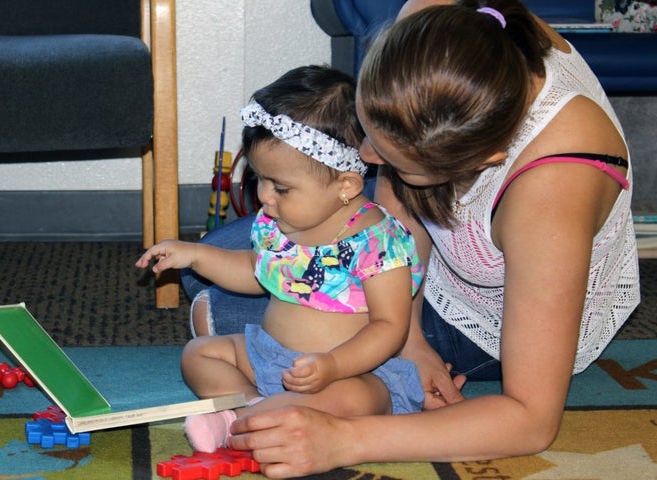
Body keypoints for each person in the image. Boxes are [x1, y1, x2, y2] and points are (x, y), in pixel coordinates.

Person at [179, 0, 642, 477]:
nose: (363, 155)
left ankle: (362, 386)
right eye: (370, 131)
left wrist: (344, 440)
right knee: (221, 257)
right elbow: (391, 209)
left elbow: (531, 420)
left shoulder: (552, 197)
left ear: (485, 158)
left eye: (395, 161)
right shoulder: (433, 22)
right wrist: (411, 338)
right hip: (406, 271)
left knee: (216, 306)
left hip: (493, 314)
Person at [136, 65, 425, 453]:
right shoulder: (277, 222)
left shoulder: (377, 241)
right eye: (260, 180)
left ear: (347, 185)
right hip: (268, 355)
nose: (265, 197)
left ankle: (244, 420)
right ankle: (253, 408)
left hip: (349, 372)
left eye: (282, 187)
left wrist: (334, 365)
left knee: (357, 399)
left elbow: (390, 326)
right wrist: (195, 255)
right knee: (199, 353)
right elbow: (255, 273)